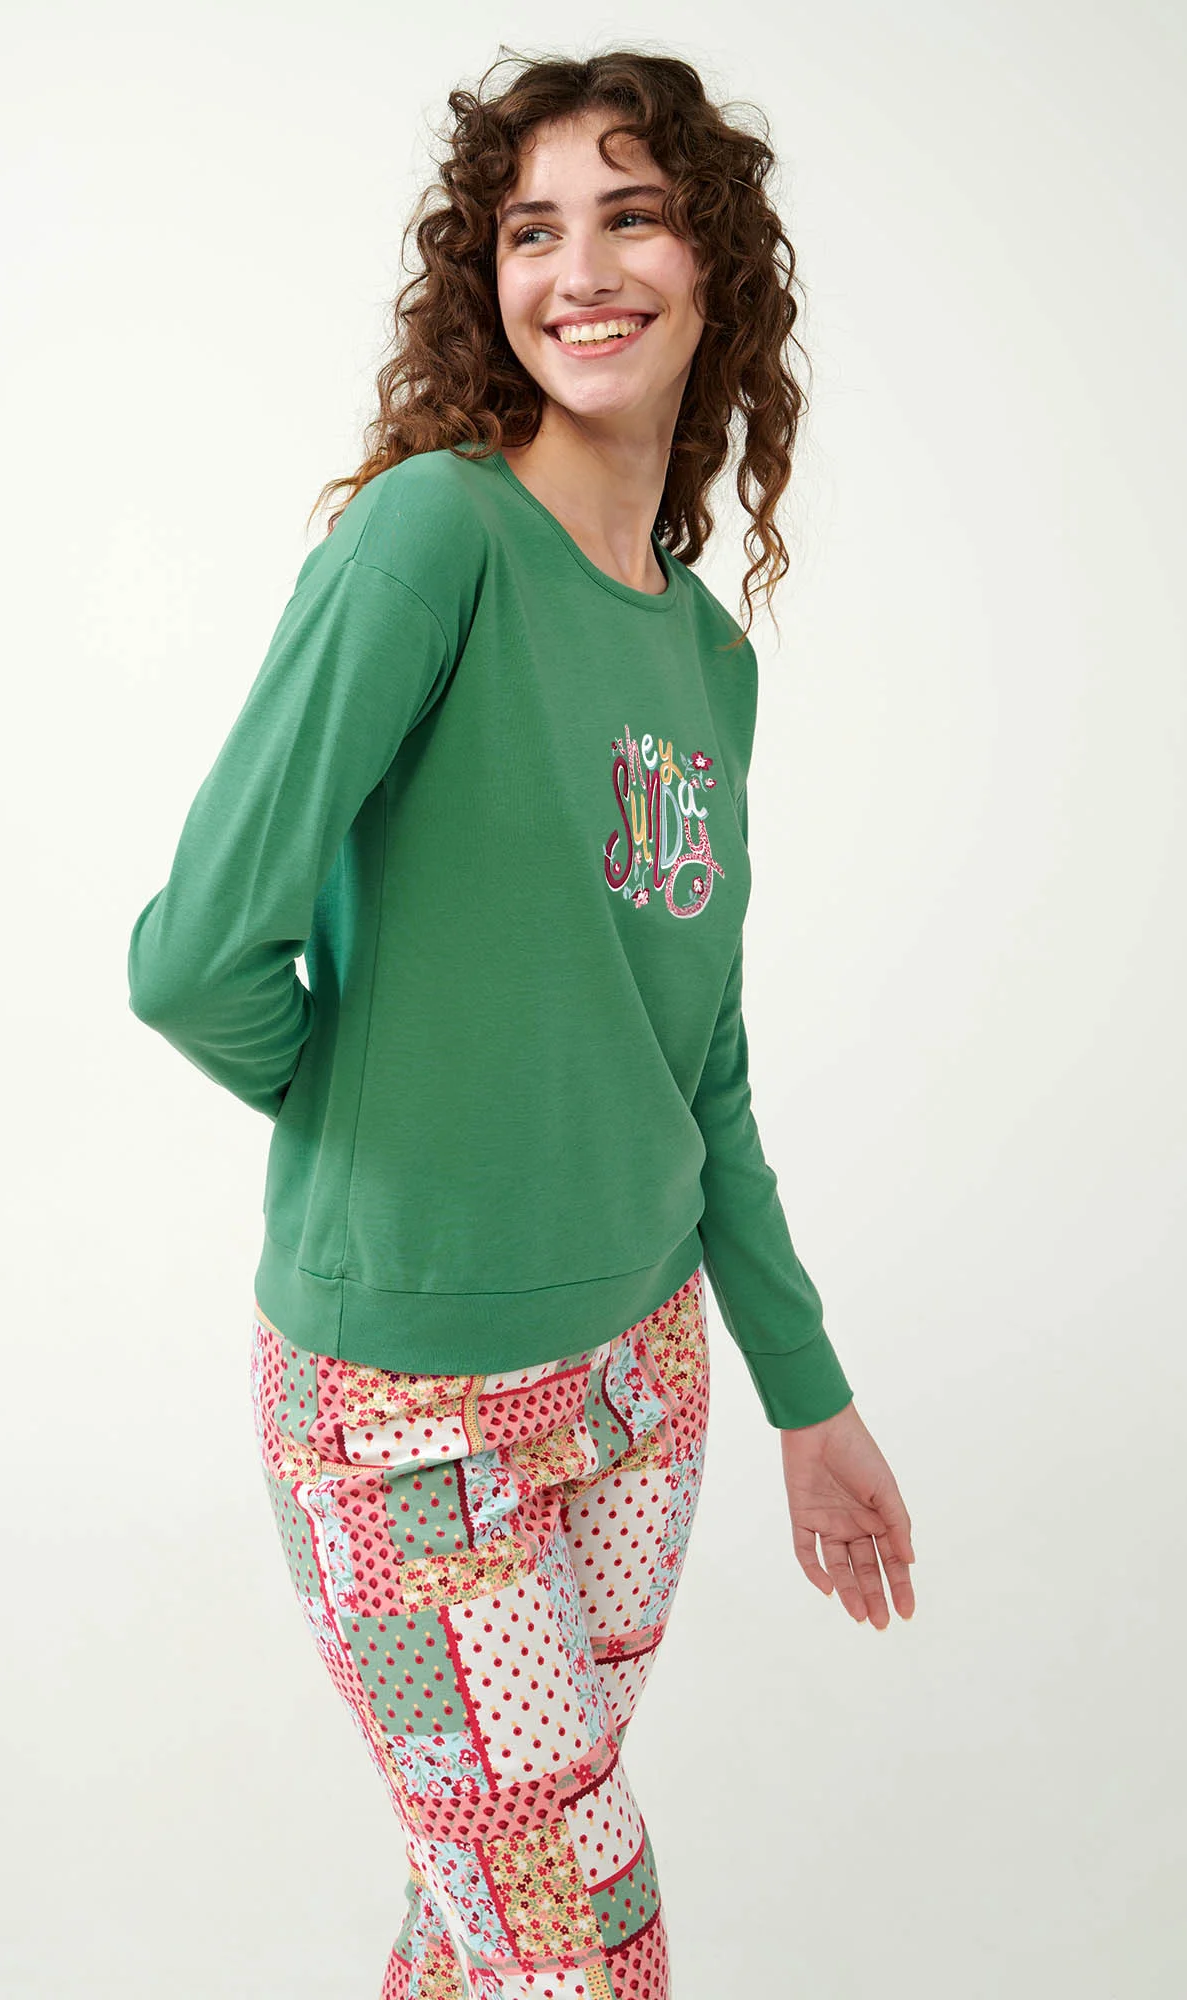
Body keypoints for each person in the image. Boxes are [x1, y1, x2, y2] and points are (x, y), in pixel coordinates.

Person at [127, 46, 916, 2000]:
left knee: (488, 1927)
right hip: (403, 1414)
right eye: (533, 229)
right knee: (583, 1927)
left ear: (714, 269)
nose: (582, 269)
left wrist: (809, 1392)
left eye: (632, 216)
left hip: (643, 1382)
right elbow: (195, 955)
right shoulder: (434, 542)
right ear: (486, 280)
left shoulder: (705, 658)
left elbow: (697, 1059)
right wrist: (386, 1125)